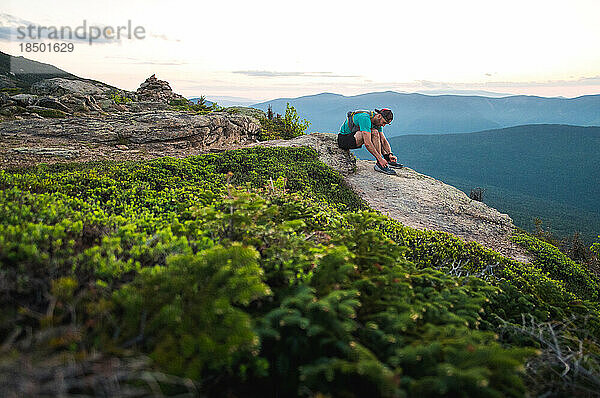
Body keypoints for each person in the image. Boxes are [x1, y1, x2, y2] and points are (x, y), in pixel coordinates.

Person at [337, 108, 402, 175]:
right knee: (372, 132)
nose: (383, 125)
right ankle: (380, 163)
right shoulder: (365, 118)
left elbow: (383, 140)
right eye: (384, 122)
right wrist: (380, 159)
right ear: (379, 116)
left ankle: (387, 160)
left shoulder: (377, 121)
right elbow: (367, 143)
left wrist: (389, 154)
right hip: (344, 140)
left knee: (376, 133)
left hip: (354, 137)